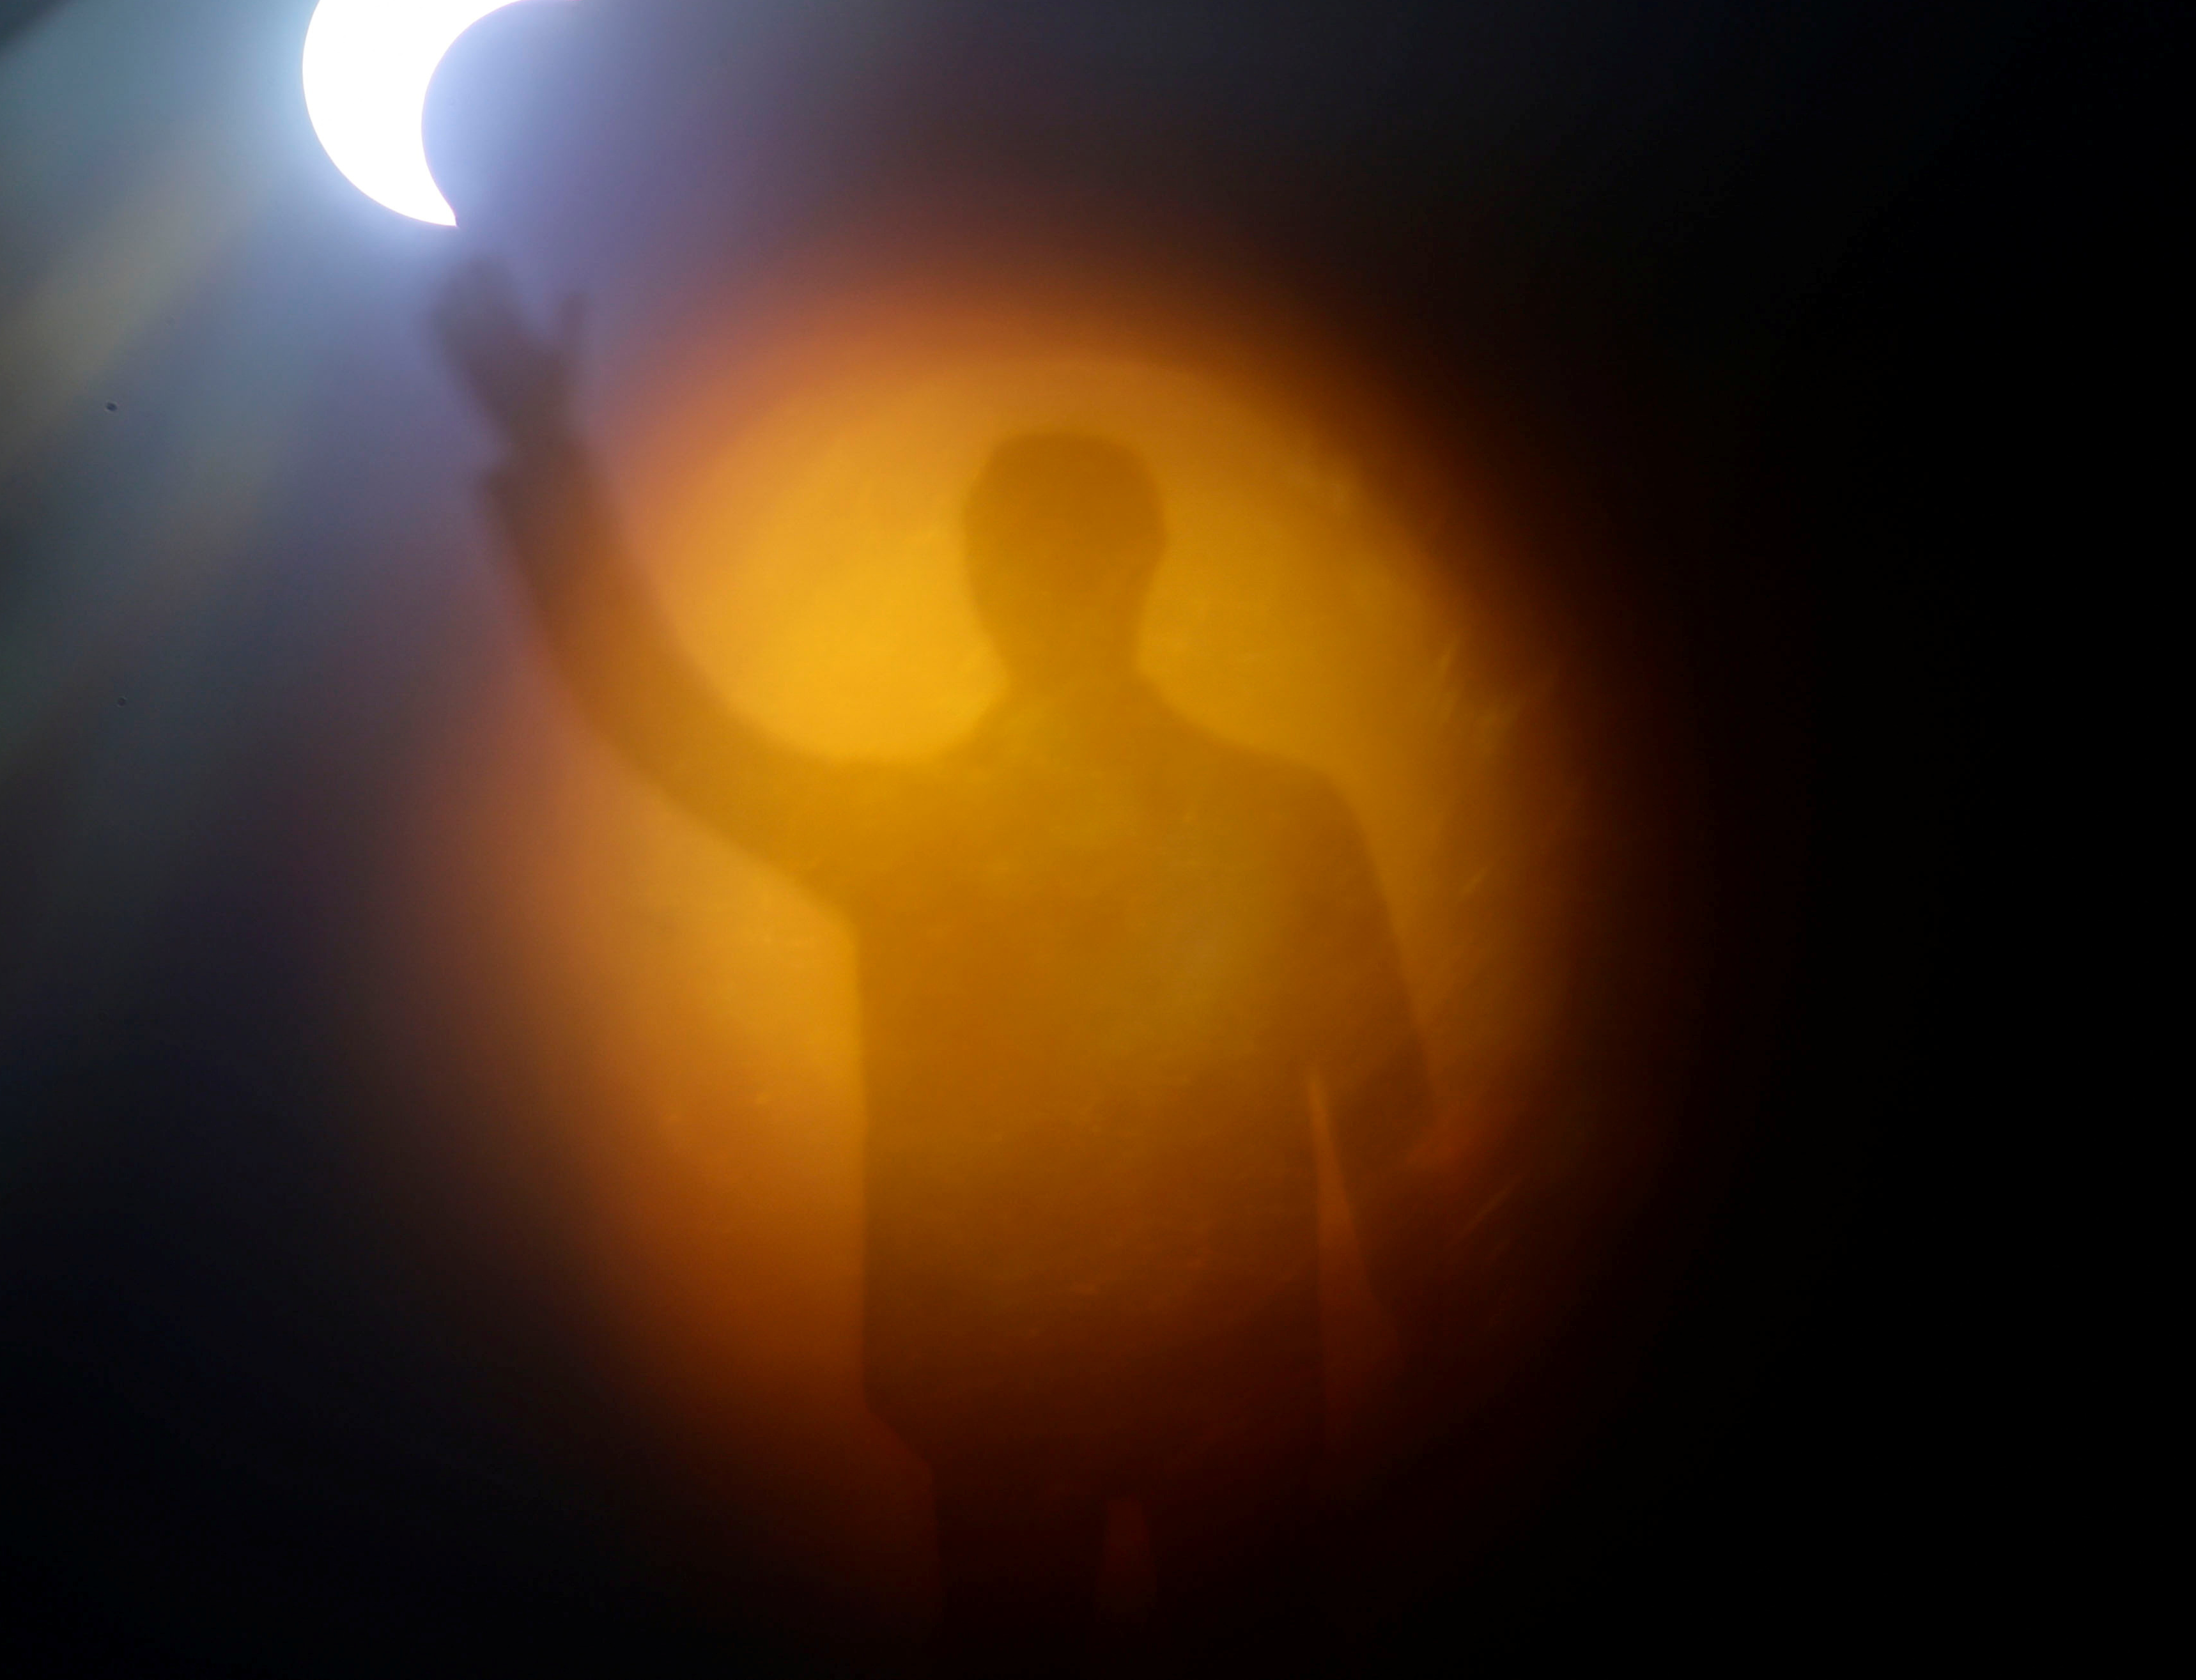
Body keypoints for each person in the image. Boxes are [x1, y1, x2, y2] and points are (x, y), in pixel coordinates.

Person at [433, 261, 1446, 1664]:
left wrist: (546, 453)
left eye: (1025, 547)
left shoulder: (930, 837)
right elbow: (1389, 1131)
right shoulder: (1274, 819)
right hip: (1197, 1385)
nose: (1019, 576)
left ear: (1018, 575)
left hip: (1029, 1392)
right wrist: (1448, 1405)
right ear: (1140, 561)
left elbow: (664, 723)